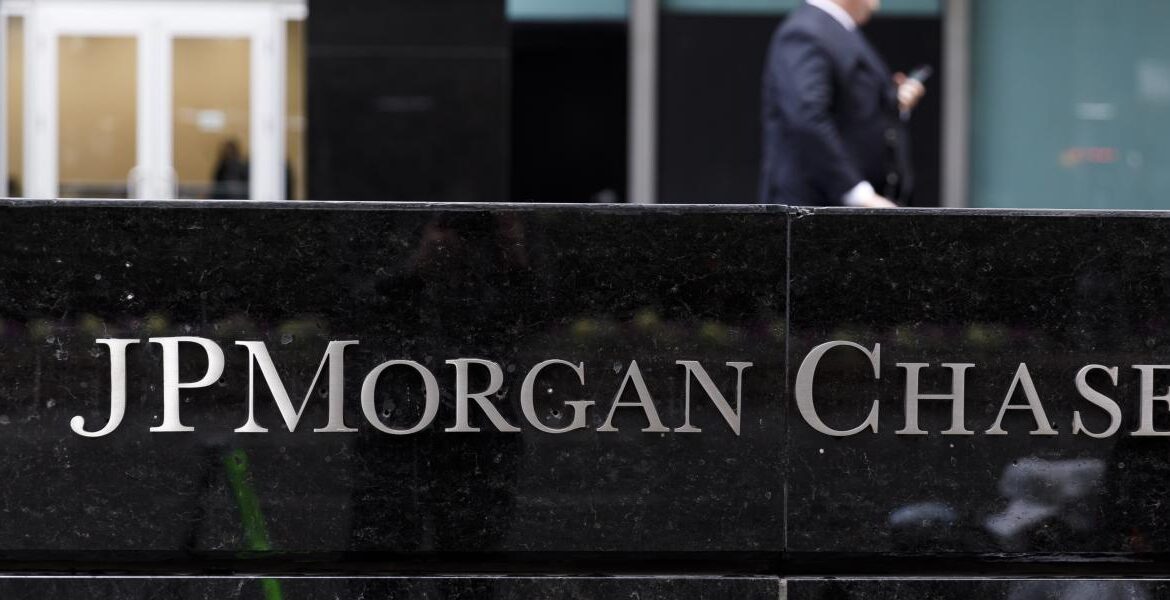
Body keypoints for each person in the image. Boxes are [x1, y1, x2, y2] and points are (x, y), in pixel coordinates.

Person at [759, 0, 926, 207]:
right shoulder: (805, 32)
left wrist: (893, 104)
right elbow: (806, 117)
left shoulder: (834, 29)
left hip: (844, 209)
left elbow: (851, 108)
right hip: (815, 211)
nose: (877, 4)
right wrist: (858, 193)